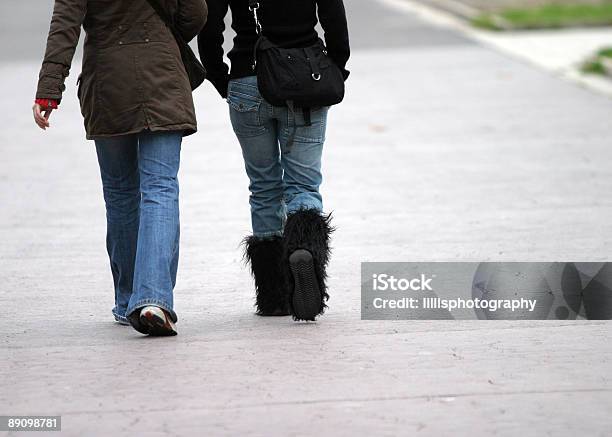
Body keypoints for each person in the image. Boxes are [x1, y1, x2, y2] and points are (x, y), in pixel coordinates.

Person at [33, 0, 208, 336]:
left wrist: (48, 90)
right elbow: (195, 14)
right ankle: (152, 299)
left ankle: (129, 298)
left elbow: (65, 24)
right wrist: (161, 36)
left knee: (120, 194)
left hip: (107, 78)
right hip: (161, 73)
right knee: (160, 188)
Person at [198, 0, 350, 320]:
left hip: (248, 80)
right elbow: (334, 19)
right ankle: (303, 251)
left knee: (264, 186)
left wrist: (220, 77)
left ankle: (274, 296)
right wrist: (336, 68)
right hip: (306, 79)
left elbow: (209, 25)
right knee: (304, 184)